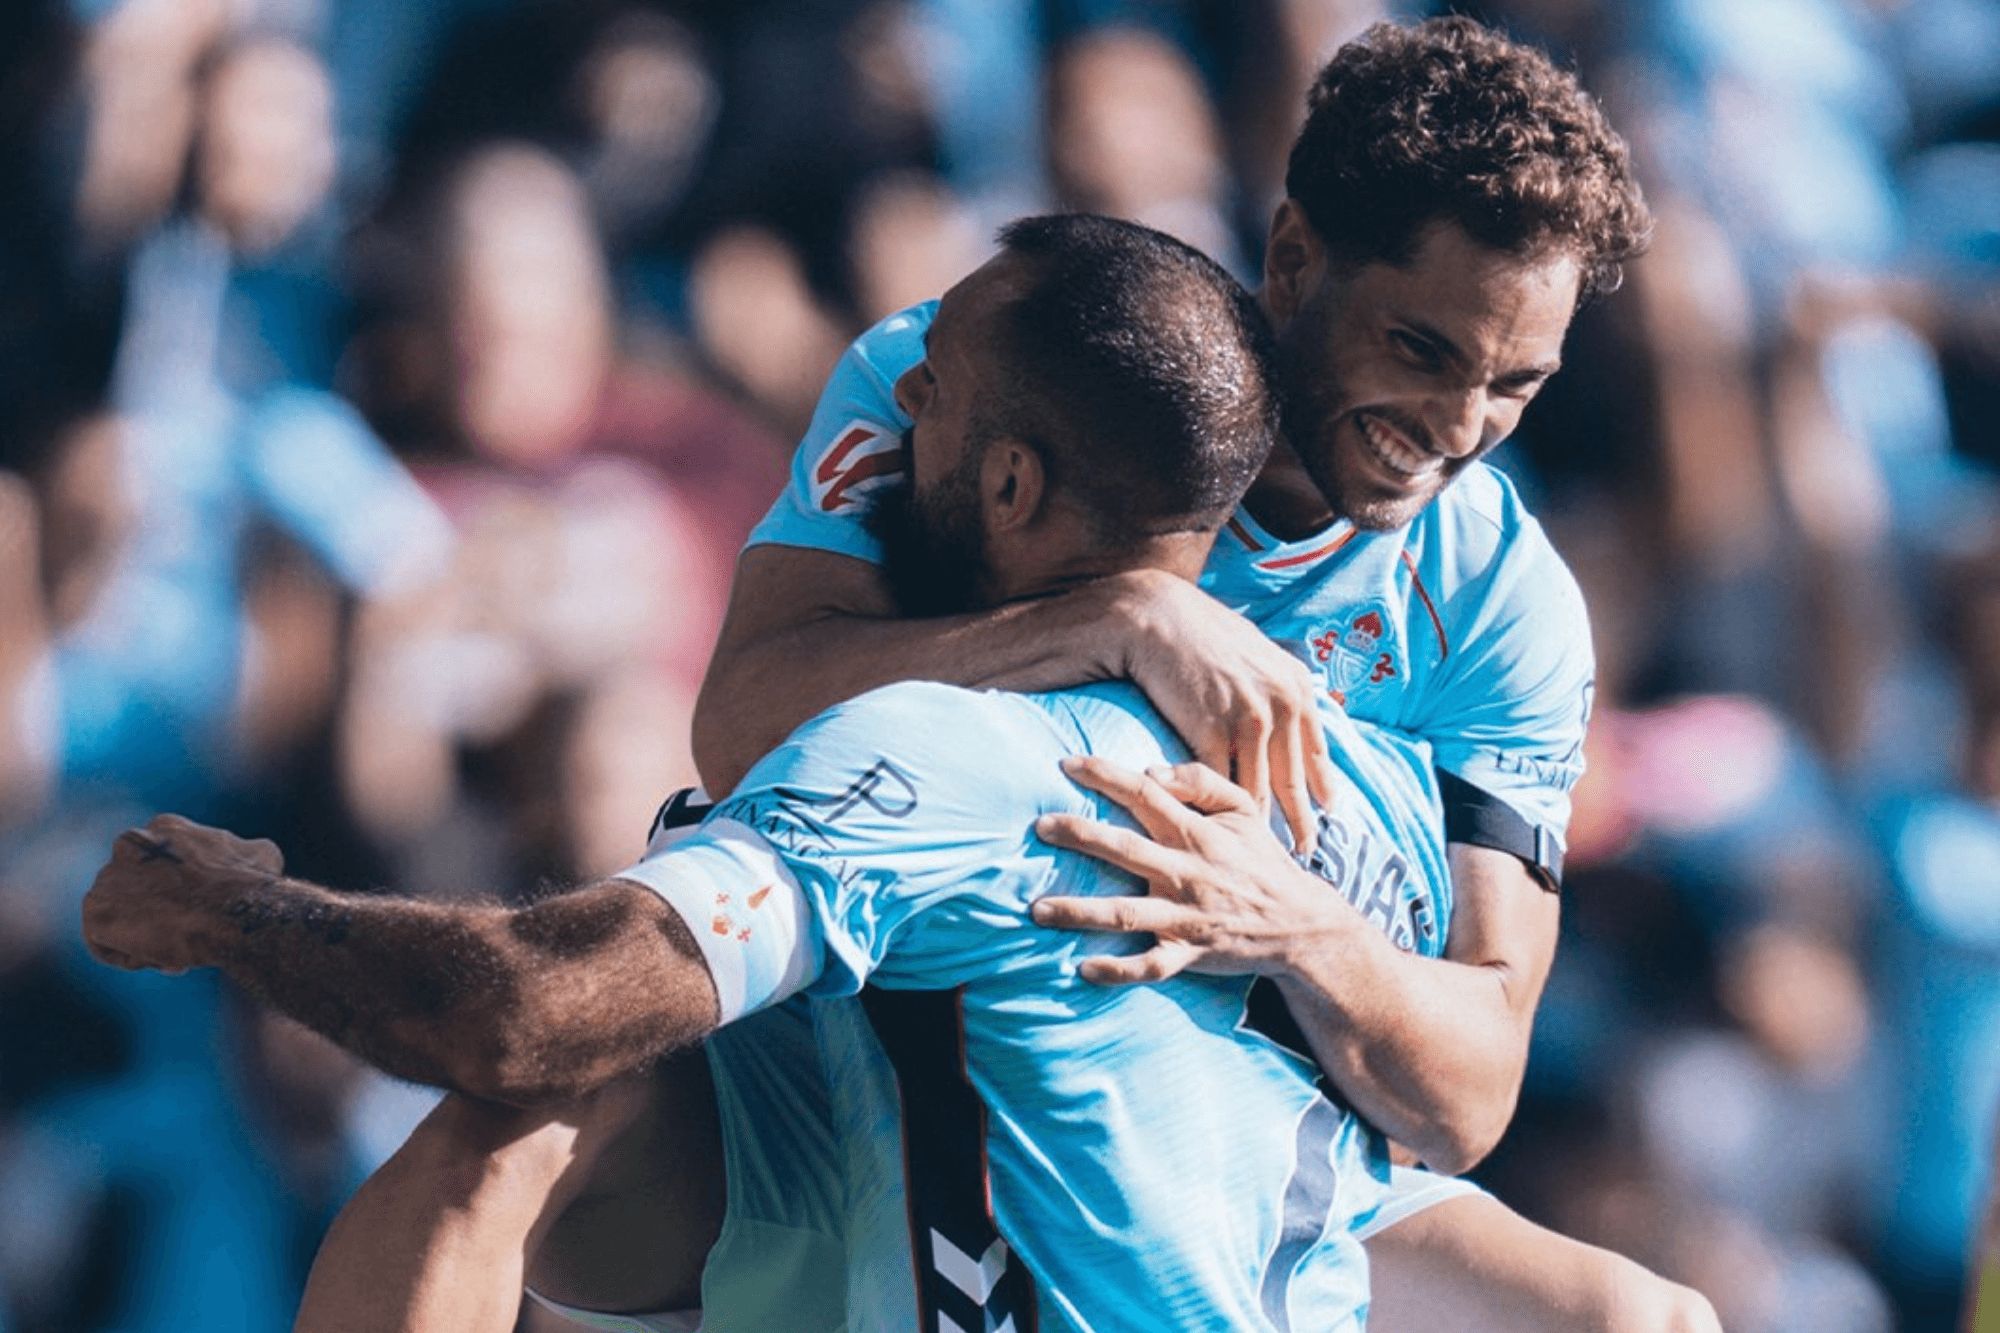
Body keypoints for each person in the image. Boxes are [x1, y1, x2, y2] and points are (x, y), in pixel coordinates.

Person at [308, 17, 1710, 1333]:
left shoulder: (1506, 607)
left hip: (1237, 1116)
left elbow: (1470, 1090)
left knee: (1655, 1318)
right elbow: (742, 722)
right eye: (1422, 350)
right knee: (501, 1129)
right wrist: (1108, 623)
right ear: (1293, 260)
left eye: (1515, 384)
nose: (1458, 429)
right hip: (837, 1018)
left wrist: (1303, 927)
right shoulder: (994, 368)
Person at [91, 213, 1432, 1332]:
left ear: (1015, 486)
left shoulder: (945, 748)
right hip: (1015, 1191)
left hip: (878, 1223)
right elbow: (1502, 1164)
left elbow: (528, 1009)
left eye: (939, 385)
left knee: (534, 1082)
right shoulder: (1359, 784)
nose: (897, 392)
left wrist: (230, 913)